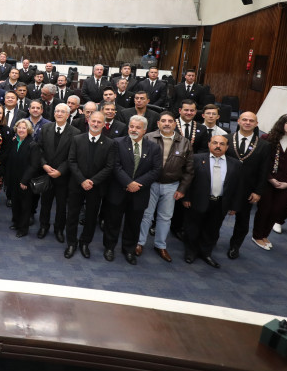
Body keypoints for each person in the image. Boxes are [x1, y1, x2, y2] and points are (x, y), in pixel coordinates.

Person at [103, 115, 162, 264]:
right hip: (118, 190)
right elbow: (115, 166)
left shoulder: (154, 148)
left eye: (137, 127)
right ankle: (109, 247)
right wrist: (128, 182)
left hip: (139, 193)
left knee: (133, 223)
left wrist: (137, 184)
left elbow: (156, 170)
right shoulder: (117, 143)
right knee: (113, 221)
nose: (133, 130)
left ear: (144, 130)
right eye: (131, 126)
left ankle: (129, 250)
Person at [137, 111, 194, 262]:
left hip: (172, 186)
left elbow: (189, 170)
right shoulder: (148, 137)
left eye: (170, 121)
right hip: (150, 185)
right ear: (158, 123)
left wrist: (182, 189)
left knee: (165, 217)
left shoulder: (184, 142)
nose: (167, 123)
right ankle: (139, 243)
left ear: (175, 124)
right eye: (163, 121)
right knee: (146, 215)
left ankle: (160, 245)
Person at [183, 135, 241, 268]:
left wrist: (234, 205)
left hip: (220, 203)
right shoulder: (197, 158)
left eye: (222, 144)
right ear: (209, 144)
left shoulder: (235, 164)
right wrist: (186, 197)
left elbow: (238, 186)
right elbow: (188, 180)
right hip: (198, 200)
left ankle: (206, 253)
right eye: (215, 143)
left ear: (227, 147)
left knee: (213, 229)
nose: (218, 146)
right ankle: (191, 252)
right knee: (193, 228)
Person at [252, 114, 287, 250]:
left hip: (286, 183)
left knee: (277, 210)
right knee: (264, 209)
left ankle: (265, 235)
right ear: (282, 123)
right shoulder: (267, 138)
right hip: (268, 180)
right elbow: (261, 161)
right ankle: (257, 235)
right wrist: (270, 178)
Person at [65, 111, 115, 259]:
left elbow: (109, 166)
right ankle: (71, 243)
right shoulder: (77, 139)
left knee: (91, 217)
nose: (95, 124)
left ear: (104, 124)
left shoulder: (110, 143)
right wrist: (82, 180)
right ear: (88, 121)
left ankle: (85, 243)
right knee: (72, 215)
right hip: (76, 184)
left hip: (96, 187)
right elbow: (71, 161)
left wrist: (92, 181)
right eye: (93, 121)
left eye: (99, 122)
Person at [225, 111, 272, 259]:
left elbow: (264, 171)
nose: (247, 122)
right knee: (215, 218)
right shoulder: (225, 139)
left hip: (247, 190)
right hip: (225, 187)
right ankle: (209, 241)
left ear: (256, 124)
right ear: (238, 121)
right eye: (244, 119)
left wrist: (258, 191)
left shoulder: (264, 146)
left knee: (243, 222)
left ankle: (235, 246)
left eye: (251, 121)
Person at [7, 119, 39, 237]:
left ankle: (23, 228)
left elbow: (34, 165)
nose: (21, 130)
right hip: (14, 179)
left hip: (25, 181)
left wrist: (25, 180)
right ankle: (16, 222)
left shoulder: (33, 144)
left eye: (24, 128)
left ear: (29, 130)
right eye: (19, 128)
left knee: (25, 205)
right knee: (15, 203)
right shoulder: (14, 142)